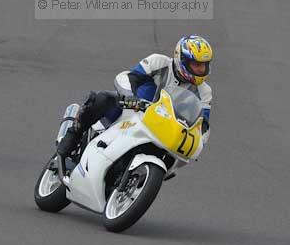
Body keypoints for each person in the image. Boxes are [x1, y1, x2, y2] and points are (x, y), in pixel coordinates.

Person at [57, 35, 214, 158]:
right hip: (134, 110)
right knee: (102, 98)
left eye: (204, 65)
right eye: (196, 65)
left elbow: (203, 125)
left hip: (164, 130)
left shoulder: (204, 92)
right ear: (182, 59)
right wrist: (129, 96)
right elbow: (129, 77)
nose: (201, 69)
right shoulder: (158, 62)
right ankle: (73, 135)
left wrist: (197, 145)